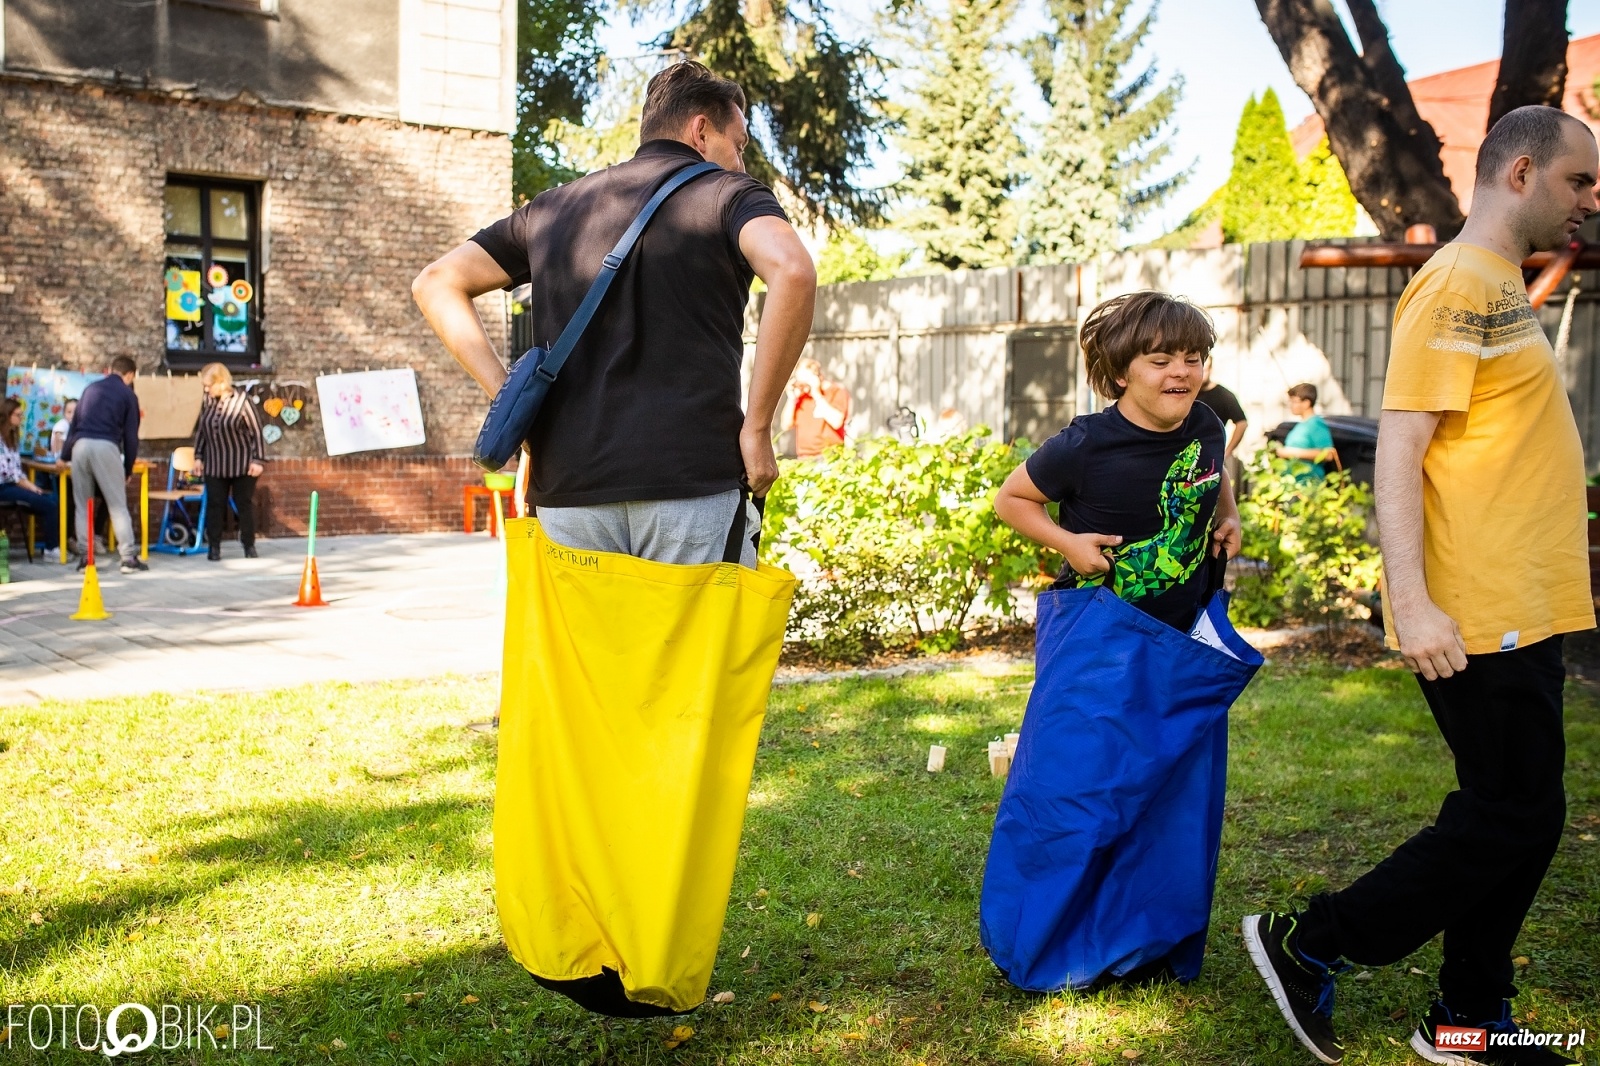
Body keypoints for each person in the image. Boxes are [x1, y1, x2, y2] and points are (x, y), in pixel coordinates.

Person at [1244, 105, 1599, 1066]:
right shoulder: (1455, 286)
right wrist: (1415, 602)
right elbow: (1401, 449)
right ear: (1520, 173)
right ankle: (1312, 940)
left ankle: (1469, 1016)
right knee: (1511, 812)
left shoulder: (1498, 286)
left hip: (1526, 603)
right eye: (1580, 181)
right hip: (1479, 609)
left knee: (1526, 809)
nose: (1590, 202)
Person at [412, 60, 816, 567]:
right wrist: (757, 429)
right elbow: (794, 271)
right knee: (696, 648)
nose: (739, 161)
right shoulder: (729, 195)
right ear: (700, 129)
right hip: (690, 484)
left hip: (569, 493)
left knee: (590, 650)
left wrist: (512, 402)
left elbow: (435, 283)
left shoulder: (552, 209)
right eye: (739, 144)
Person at [994, 289, 1241, 632]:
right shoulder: (1085, 443)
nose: (1181, 371)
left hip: (1184, 632)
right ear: (1121, 373)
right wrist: (1067, 543)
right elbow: (1010, 498)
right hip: (1094, 631)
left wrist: (1229, 514)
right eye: (1160, 361)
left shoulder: (1207, 425)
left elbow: (1214, 469)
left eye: (1192, 358)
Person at [63, 356, 147, 573]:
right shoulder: (128, 395)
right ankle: (128, 558)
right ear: (130, 375)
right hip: (106, 447)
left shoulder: (90, 389)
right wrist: (128, 468)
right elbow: (131, 437)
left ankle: (86, 558)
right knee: (117, 504)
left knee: (83, 504)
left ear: (110, 370)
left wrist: (64, 456)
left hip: (80, 447)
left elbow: (75, 425)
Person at [191, 362, 266, 560]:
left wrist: (258, 460)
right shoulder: (208, 401)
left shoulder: (242, 400)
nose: (206, 389)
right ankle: (214, 547)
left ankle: (249, 545)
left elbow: (256, 432)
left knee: (244, 504)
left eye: (209, 385)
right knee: (215, 504)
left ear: (221, 382)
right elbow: (202, 431)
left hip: (242, 463)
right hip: (215, 463)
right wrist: (198, 457)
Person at [0, 398, 62, 562]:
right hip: (3, 487)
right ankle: (51, 549)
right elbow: (8, 474)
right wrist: (29, 487)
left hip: (14, 484)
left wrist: (30, 485)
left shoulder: (12, 439)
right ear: (7, 416)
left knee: (50, 499)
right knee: (48, 504)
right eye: (18, 415)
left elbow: (17, 469)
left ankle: (54, 544)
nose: (21, 419)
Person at [782, 357, 850, 459]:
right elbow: (786, 425)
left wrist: (816, 394)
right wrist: (791, 398)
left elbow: (837, 422)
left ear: (817, 377)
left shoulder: (836, 391)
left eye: (805, 381)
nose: (802, 386)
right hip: (805, 457)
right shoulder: (801, 396)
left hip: (830, 456)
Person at [1274, 382, 1336, 481]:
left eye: (1294, 401)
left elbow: (1328, 454)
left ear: (1306, 403)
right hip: (1293, 485)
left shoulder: (1316, 424)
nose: (1291, 405)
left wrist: (1291, 453)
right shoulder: (1300, 425)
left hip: (1308, 484)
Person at [1195, 365, 1248, 480]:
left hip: (1211, 459)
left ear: (1211, 369)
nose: (1202, 373)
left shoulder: (1224, 395)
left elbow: (1242, 423)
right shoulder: (1187, 393)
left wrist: (1227, 452)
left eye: (1205, 369)